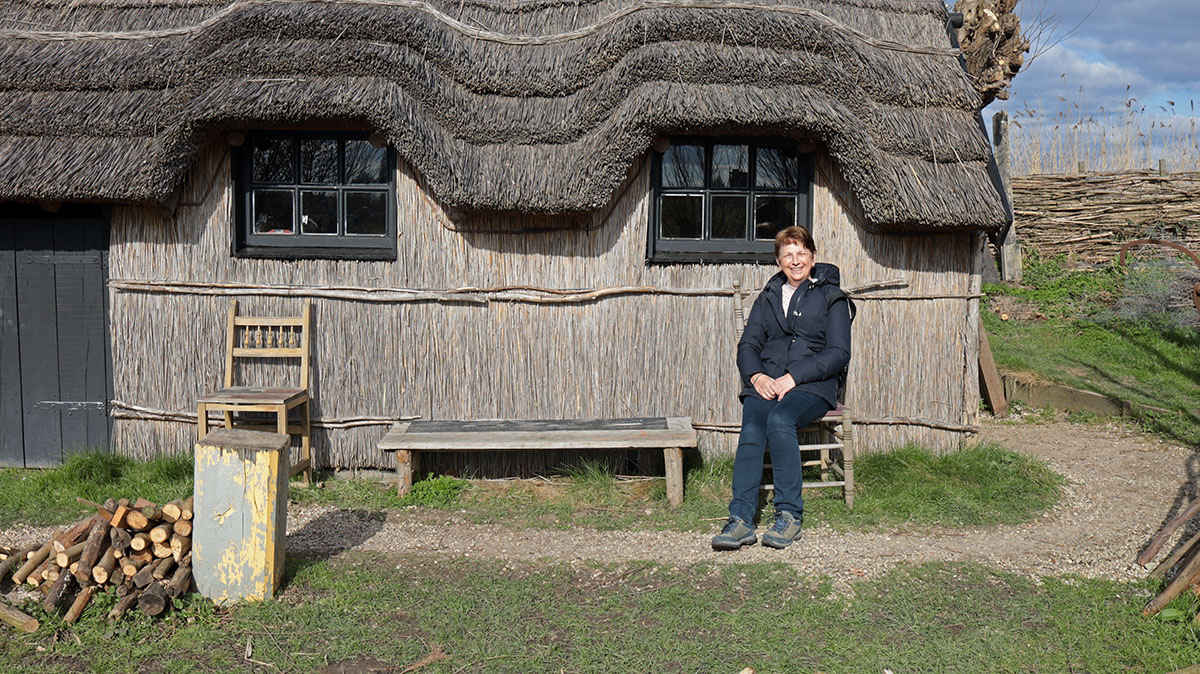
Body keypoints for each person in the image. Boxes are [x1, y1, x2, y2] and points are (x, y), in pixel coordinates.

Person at [711, 225, 852, 550]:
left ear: (813, 257)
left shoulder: (832, 296)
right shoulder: (769, 297)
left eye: (801, 252)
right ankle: (741, 520)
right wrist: (756, 377)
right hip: (769, 383)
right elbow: (747, 345)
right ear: (778, 261)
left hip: (812, 386)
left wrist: (795, 377)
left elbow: (839, 353)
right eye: (788, 254)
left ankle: (789, 516)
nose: (796, 260)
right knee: (753, 423)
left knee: (780, 419)